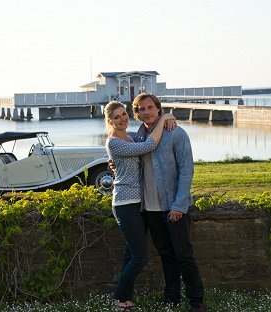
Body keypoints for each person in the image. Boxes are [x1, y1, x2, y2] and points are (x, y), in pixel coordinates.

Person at [132, 92, 206, 312]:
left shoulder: (176, 133)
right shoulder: (137, 138)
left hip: (173, 207)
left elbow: (186, 171)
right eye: (141, 109)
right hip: (151, 208)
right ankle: (171, 298)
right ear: (137, 113)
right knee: (166, 255)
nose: (146, 112)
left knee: (184, 255)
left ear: (158, 109)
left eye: (149, 108)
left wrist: (178, 206)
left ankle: (196, 301)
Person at [104, 100, 175, 310]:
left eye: (124, 114)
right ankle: (119, 297)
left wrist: (167, 118)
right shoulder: (114, 142)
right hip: (125, 204)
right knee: (141, 256)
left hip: (139, 203)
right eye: (116, 117)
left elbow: (144, 141)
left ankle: (125, 297)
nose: (122, 118)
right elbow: (149, 145)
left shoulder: (131, 137)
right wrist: (164, 118)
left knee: (130, 253)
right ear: (110, 121)